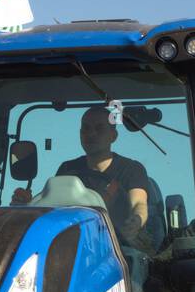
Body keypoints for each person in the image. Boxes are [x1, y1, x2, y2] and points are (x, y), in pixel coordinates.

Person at [13, 105, 151, 247]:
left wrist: (137, 220)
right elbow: (52, 208)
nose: (91, 134)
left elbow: (139, 203)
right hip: (73, 246)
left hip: (119, 248)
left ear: (113, 136)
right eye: (86, 128)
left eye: (99, 128)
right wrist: (27, 206)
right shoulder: (67, 169)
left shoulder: (131, 169)